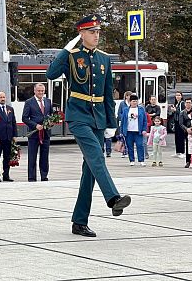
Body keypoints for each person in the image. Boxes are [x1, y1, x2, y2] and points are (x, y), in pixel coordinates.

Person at [46, 14, 131, 238]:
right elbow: (50, 74)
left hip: (98, 117)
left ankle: (79, 222)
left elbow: (108, 93)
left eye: (98, 31)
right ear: (81, 34)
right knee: (96, 157)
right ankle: (113, 198)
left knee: (90, 171)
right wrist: (65, 49)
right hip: (78, 116)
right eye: (92, 32)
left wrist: (113, 125)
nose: (96, 35)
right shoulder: (72, 56)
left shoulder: (104, 59)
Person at [22, 83, 52, 181]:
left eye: (42, 91)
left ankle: (44, 176)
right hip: (34, 133)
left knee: (44, 156)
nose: (41, 93)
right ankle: (31, 177)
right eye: (39, 91)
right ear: (34, 91)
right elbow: (24, 118)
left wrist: (51, 123)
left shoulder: (48, 101)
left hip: (46, 133)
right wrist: (35, 125)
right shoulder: (29, 102)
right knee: (32, 156)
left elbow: (50, 115)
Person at [0, 91, 17, 182]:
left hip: (8, 137)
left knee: (7, 157)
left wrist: (14, 135)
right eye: (1, 97)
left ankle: (6, 174)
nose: (2, 99)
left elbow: (13, 122)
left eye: (4, 97)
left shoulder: (10, 109)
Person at [121, 94, 148, 166]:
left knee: (140, 145)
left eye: (136, 101)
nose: (135, 103)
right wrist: (121, 132)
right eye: (133, 101)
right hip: (128, 131)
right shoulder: (126, 110)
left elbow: (145, 120)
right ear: (130, 102)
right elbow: (123, 121)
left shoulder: (141, 109)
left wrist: (144, 129)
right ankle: (131, 160)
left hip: (138, 131)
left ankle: (141, 160)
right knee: (130, 146)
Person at [169, 91, 186, 158]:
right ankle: (177, 152)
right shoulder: (176, 103)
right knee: (177, 137)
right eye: (176, 95)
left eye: (179, 95)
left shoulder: (182, 103)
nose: (177, 97)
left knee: (181, 137)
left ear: (181, 96)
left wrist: (175, 110)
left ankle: (182, 152)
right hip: (176, 121)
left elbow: (182, 112)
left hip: (180, 122)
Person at [117, 91, 133, 159]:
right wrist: (123, 118)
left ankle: (129, 151)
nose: (129, 97)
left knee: (129, 138)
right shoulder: (122, 103)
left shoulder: (132, 103)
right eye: (128, 95)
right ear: (126, 96)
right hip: (123, 122)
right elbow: (119, 113)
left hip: (131, 122)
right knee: (123, 136)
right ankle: (124, 151)